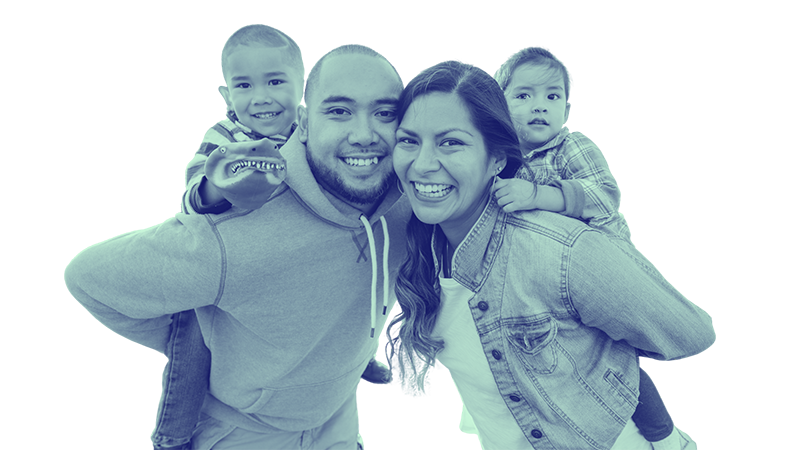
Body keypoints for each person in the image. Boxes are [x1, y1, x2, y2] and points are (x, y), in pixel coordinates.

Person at [64, 43, 409, 450]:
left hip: (337, 413)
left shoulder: (410, 198)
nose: (365, 135)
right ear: (303, 118)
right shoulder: (234, 230)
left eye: (384, 113)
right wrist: (204, 338)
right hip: (246, 432)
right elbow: (85, 277)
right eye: (338, 110)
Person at [386, 59, 713, 449]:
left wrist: (600, 348)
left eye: (451, 142)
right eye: (408, 140)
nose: (422, 164)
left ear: (497, 159)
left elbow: (689, 331)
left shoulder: (557, 249)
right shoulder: (417, 246)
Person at [490, 45, 681, 447]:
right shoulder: (503, 163)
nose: (539, 106)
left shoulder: (572, 147)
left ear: (567, 106)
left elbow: (603, 196)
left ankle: (665, 437)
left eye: (552, 96)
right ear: (500, 103)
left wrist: (538, 195)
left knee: (616, 363)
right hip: (547, 288)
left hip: (599, 279)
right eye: (523, 95)